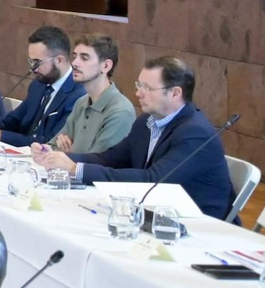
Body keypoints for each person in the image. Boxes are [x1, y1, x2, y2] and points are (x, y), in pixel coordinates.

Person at [30, 55, 235, 218]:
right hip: (154, 214)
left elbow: (153, 181)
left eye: (147, 88)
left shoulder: (195, 133)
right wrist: (60, 158)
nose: (138, 93)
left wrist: (76, 169)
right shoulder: (146, 122)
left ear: (175, 93)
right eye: (139, 86)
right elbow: (111, 158)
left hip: (198, 225)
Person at [0, 26, 80, 146]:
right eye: (30, 61)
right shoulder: (38, 85)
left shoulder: (78, 96)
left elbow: (50, 142)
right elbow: (12, 121)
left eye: (37, 62)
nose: (32, 69)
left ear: (59, 60)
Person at [50, 36, 136, 155]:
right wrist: (41, 150)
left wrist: (69, 155)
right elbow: (54, 145)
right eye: (74, 56)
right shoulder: (81, 102)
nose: (74, 63)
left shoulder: (120, 112)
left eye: (84, 58)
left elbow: (98, 161)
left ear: (106, 66)